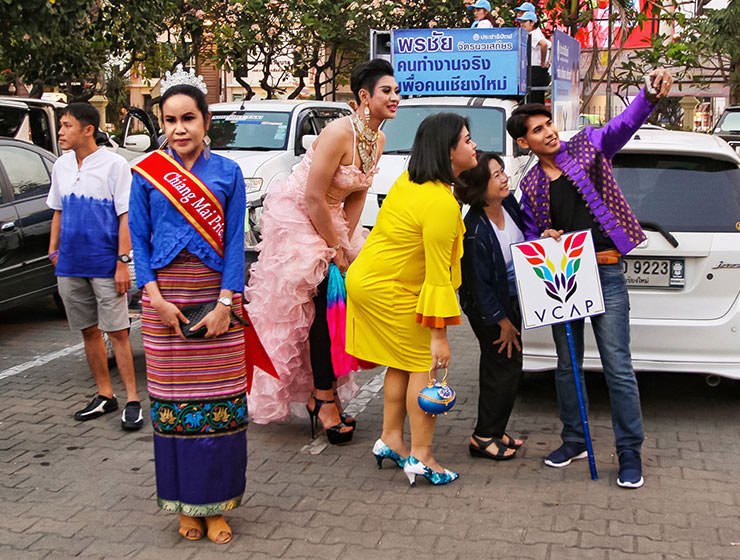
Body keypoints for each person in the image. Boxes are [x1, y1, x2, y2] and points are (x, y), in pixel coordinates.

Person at [506, 68, 674, 489]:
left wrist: (649, 93)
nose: (549, 133)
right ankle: (574, 440)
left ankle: (629, 451)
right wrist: (542, 237)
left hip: (607, 271)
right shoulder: (530, 184)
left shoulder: (588, 145)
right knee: (567, 367)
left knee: (618, 366)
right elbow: (529, 236)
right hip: (565, 280)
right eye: (538, 131)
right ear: (524, 142)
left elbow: (623, 125)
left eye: (549, 125)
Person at [246, 59, 399, 440]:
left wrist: (345, 242)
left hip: (334, 219)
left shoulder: (377, 139)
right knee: (316, 305)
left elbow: (358, 192)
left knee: (338, 306)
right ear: (364, 96)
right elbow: (314, 196)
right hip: (299, 215)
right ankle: (323, 396)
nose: (395, 98)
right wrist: (333, 248)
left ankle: (324, 392)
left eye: (396, 91)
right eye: (387, 91)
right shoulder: (337, 132)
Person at [129, 67, 247, 543]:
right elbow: (138, 239)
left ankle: (216, 506)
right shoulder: (146, 175)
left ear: (206, 120)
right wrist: (153, 298)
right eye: (171, 120)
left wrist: (225, 303)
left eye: (189, 119)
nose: (180, 129)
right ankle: (183, 503)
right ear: (162, 123)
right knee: (174, 408)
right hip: (165, 309)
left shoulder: (228, 174)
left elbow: (236, 243)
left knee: (219, 407)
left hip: (217, 305)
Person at [345, 113, 478, 486]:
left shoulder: (410, 182)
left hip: (371, 282)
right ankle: (421, 456)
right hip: (388, 288)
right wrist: (438, 336)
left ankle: (390, 439)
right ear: (448, 151)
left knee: (401, 363)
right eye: (467, 140)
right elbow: (438, 275)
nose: (474, 146)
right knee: (424, 363)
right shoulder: (439, 202)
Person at [46, 102, 142, 431]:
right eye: (61, 125)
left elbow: (125, 215)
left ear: (88, 129)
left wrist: (122, 263)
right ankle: (105, 394)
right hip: (70, 264)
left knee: (117, 332)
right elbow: (57, 210)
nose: (61, 131)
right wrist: (53, 253)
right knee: (88, 331)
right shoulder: (61, 165)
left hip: (105, 263)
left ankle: (132, 400)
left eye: (67, 125)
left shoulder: (115, 165)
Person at [456, 152, 526, 461]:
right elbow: (478, 287)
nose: (504, 177)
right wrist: (502, 322)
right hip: (490, 311)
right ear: (479, 187)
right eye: (495, 174)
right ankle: (483, 436)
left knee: (508, 367)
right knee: (501, 368)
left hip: (511, 299)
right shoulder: (475, 231)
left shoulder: (508, 205)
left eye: (502, 171)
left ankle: (496, 430)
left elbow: (528, 236)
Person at [516, 11, 551, 105]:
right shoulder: (537, 33)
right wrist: (547, 62)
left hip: (534, 70)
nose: (522, 24)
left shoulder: (533, 34)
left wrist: (543, 62)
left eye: (525, 22)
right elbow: (550, 46)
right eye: (521, 22)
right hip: (536, 70)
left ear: (532, 23)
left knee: (533, 99)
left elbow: (544, 45)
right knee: (537, 99)